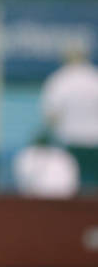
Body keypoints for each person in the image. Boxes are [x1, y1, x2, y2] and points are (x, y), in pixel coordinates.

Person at [41, 49, 98, 191]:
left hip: (70, 143)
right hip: (95, 141)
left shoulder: (59, 80)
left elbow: (51, 117)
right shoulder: (94, 78)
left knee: (72, 189)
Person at [13, 129, 80, 199]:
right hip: (34, 199)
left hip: (61, 200)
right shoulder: (26, 155)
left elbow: (70, 188)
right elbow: (25, 186)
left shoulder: (64, 157)